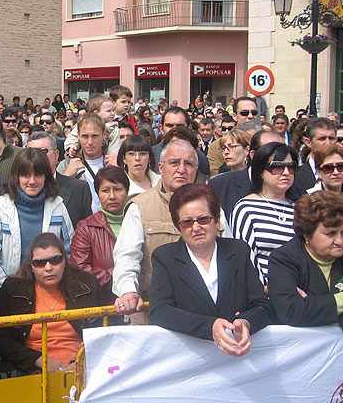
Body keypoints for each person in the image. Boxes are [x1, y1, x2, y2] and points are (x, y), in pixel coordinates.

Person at [113, 139, 231, 322]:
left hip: (207, 316)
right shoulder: (139, 207)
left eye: (189, 164)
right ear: (161, 167)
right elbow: (127, 256)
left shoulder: (212, 206)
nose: (182, 170)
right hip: (153, 315)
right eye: (174, 162)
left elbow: (229, 254)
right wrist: (128, 291)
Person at [149, 184, 271, 355]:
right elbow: (159, 311)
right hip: (190, 358)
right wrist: (210, 326)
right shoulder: (165, 257)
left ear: (217, 219)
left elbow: (262, 305)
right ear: (178, 228)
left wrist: (246, 322)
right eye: (187, 222)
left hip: (240, 356)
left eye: (203, 219)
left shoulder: (239, 251)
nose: (196, 227)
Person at [0, 233, 105, 374]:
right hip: (31, 370)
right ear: (31, 266)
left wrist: (85, 361)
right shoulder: (13, 289)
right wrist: (37, 359)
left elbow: (110, 329)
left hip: (85, 367)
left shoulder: (87, 284)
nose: (48, 267)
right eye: (40, 263)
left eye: (55, 260)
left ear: (64, 261)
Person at [0, 148, 74, 303]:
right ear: (16, 177)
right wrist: (15, 286)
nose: (32, 181)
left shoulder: (58, 207)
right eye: (26, 175)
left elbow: (69, 251)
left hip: (48, 296)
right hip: (3, 296)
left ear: (46, 176)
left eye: (37, 175)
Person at [268, 191, 343, 331]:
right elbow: (291, 311)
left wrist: (314, 308)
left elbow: (302, 310)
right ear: (307, 234)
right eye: (330, 233)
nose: (339, 241)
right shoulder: (283, 259)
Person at [231, 142, 299, 283]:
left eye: (291, 167)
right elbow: (245, 256)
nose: (286, 172)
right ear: (261, 171)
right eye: (277, 167)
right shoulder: (246, 208)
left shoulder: (300, 208)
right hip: (263, 292)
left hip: (300, 292)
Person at [70, 166, 129, 294]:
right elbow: (81, 270)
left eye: (118, 189)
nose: (112, 196)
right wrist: (122, 276)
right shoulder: (86, 229)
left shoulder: (139, 222)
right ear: (98, 193)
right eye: (105, 190)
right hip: (104, 303)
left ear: (127, 191)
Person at [27, 131, 92, 230]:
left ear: (56, 155)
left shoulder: (79, 189)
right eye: (31, 152)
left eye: (43, 151)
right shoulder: (17, 190)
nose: (37, 157)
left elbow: (87, 231)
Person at [117, 134, 160, 198]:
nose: (137, 158)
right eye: (131, 154)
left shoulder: (161, 182)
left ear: (150, 158)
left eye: (142, 153)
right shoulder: (118, 187)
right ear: (124, 159)